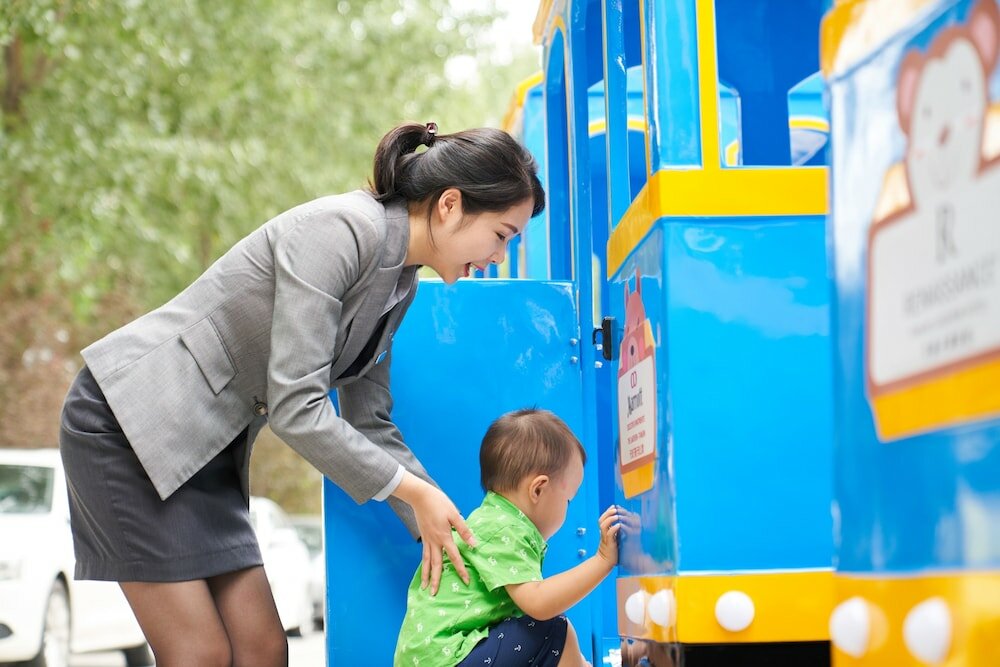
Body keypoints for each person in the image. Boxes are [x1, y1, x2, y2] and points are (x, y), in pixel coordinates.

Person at [58, 121, 545, 667]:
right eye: (503, 234)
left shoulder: (400, 283)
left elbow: (371, 424)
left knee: (262, 650)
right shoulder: (338, 231)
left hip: (208, 449)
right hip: (129, 422)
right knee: (198, 655)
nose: (500, 254)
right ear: (450, 205)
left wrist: (458, 543)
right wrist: (415, 494)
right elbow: (297, 408)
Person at [394, 409, 621, 667]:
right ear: (538, 489)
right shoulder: (505, 529)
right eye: (568, 499)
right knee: (555, 629)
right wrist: (602, 560)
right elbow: (539, 603)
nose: (568, 508)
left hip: (445, 657)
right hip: (450, 659)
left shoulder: (492, 520)